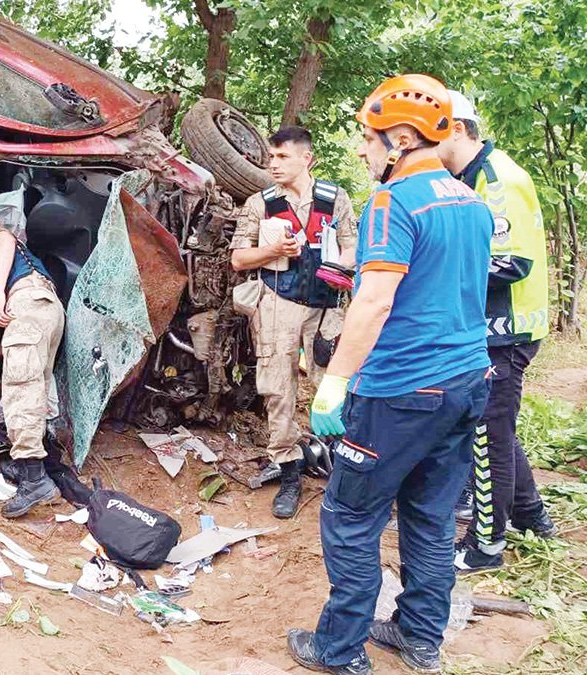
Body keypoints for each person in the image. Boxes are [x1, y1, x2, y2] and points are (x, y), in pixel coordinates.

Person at [288, 75, 493, 675]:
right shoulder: (470, 201)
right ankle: (419, 635)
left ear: (400, 139)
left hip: (400, 389)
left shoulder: (392, 202)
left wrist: (334, 382)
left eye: (368, 139)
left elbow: (375, 303)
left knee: (350, 519)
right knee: (429, 516)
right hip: (464, 384)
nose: (362, 150)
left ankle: (338, 650)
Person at [438, 91, 556, 572]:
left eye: (433, 129)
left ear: (460, 129)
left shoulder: (496, 177)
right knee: (497, 429)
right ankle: (531, 515)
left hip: (506, 330)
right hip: (490, 329)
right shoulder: (466, 177)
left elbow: (512, 262)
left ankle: (486, 546)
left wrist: (433, 267)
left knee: (487, 433)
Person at [230, 126, 358, 519]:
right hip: (277, 304)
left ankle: (343, 474)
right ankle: (289, 473)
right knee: (277, 390)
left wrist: (340, 265)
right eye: (271, 157)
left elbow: (354, 247)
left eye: (282, 156)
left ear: (307, 158)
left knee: (333, 388)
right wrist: (272, 250)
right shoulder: (260, 203)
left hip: (325, 307)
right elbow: (237, 258)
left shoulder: (334, 199)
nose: (273, 163)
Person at [0, 200, 65, 518]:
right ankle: (32, 465)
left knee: (21, 391)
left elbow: (4, 239)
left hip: (26, 299)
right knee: (33, 386)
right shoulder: (28, 265)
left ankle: (34, 480)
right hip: (45, 306)